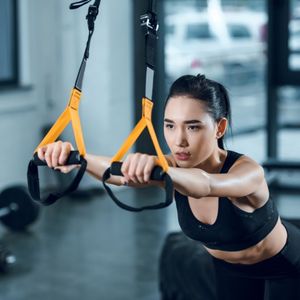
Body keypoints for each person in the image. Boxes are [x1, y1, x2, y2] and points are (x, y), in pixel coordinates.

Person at [37, 74, 300, 299]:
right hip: (229, 269)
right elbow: (118, 173)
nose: (179, 141)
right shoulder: (171, 166)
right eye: (170, 126)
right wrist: (77, 160)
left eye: (193, 127)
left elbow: (206, 184)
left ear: (220, 127)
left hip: (287, 266)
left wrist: (160, 170)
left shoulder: (248, 172)